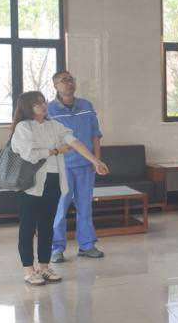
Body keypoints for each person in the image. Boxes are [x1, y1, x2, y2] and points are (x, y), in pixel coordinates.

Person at [10, 92, 108, 285]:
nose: (42, 105)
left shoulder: (53, 125)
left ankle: (44, 267)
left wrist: (95, 161)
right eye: (37, 103)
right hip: (30, 183)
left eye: (43, 102)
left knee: (47, 225)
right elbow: (29, 154)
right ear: (27, 107)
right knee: (28, 227)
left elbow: (74, 141)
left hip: (54, 180)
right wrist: (55, 151)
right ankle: (29, 270)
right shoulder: (23, 127)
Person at [47, 70, 105, 263]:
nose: (69, 83)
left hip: (85, 166)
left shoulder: (86, 106)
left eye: (71, 79)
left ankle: (87, 245)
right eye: (64, 81)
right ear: (56, 86)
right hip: (60, 167)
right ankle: (56, 248)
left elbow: (95, 135)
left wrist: (96, 160)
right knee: (59, 209)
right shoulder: (49, 110)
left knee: (85, 208)